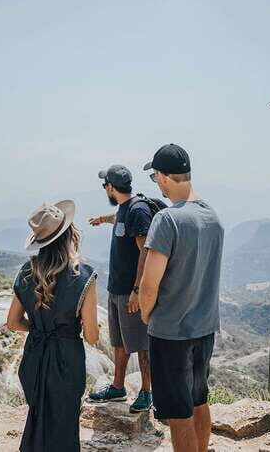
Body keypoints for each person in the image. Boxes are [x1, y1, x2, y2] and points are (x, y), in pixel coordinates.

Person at [138, 145, 225, 452]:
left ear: (163, 177)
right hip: (204, 330)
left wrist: (148, 315)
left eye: (155, 176)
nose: (156, 183)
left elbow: (149, 285)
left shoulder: (167, 220)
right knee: (199, 401)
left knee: (178, 415)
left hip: (171, 333)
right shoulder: (212, 216)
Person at [6, 200, 100, 452]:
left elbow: (12, 322)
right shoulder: (84, 276)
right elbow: (92, 336)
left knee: (38, 418)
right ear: (69, 233)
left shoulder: (27, 272)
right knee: (64, 424)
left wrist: (38, 329)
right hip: (66, 360)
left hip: (35, 356)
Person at [87, 165, 154, 413]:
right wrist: (104, 219)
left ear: (112, 187)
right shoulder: (125, 208)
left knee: (141, 343)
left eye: (105, 185)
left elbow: (145, 251)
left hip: (130, 292)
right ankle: (118, 386)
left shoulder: (138, 209)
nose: (104, 188)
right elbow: (120, 218)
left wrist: (138, 290)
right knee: (119, 342)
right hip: (116, 289)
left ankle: (147, 392)